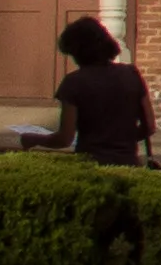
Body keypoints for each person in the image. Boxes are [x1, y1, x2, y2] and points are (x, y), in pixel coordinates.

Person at [47, 18, 154, 166]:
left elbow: (65, 138)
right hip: (128, 162)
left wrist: (34, 139)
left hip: (90, 162)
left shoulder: (73, 83)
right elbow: (149, 126)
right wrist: (120, 139)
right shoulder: (131, 74)